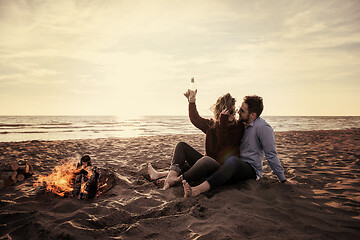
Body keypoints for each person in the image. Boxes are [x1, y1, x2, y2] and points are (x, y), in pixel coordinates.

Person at [183, 95, 295, 197]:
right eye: (238, 109)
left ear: (252, 115)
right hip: (232, 167)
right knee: (220, 163)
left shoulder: (263, 128)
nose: (238, 113)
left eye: (241, 111)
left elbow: (271, 154)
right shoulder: (241, 125)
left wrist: (283, 179)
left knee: (233, 161)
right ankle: (175, 177)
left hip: (250, 169)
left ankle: (198, 190)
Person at [148, 89, 244, 190]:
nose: (234, 114)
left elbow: (224, 145)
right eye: (231, 111)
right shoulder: (212, 125)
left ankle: (175, 180)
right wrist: (192, 101)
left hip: (221, 169)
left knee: (205, 161)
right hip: (205, 166)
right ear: (221, 112)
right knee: (181, 146)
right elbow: (195, 118)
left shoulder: (238, 127)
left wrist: (223, 123)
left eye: (235, 111)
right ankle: (170, 176)